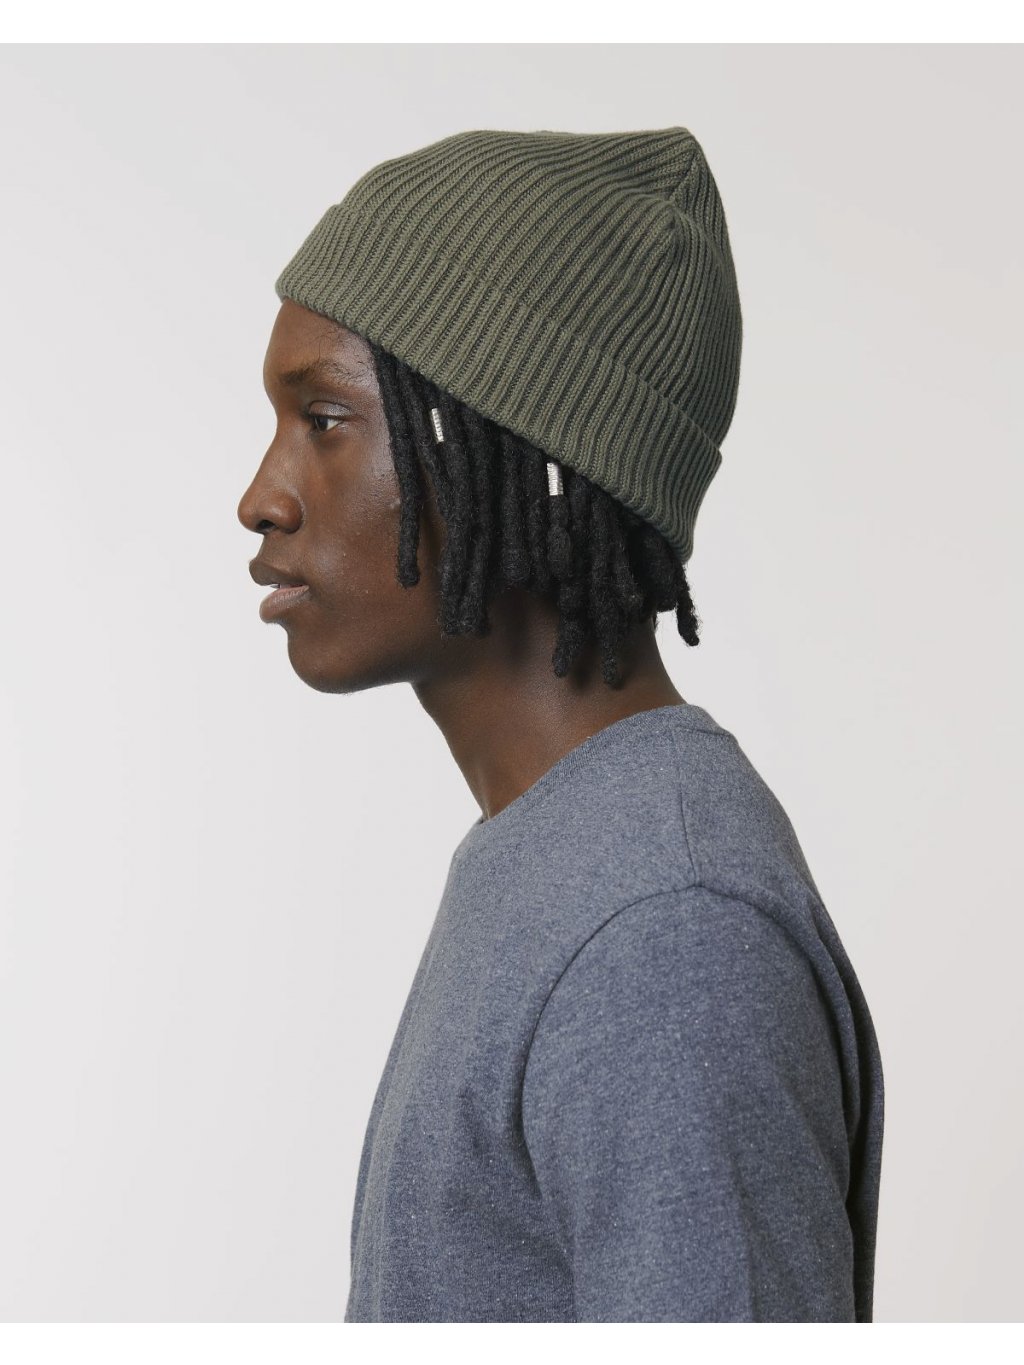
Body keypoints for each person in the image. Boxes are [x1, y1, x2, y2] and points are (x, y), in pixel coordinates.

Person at [236, 127, 885, 1323]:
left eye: (323, 421)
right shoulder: (565, 857)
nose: (261, 497)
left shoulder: (665, 931)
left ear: (528, 454)